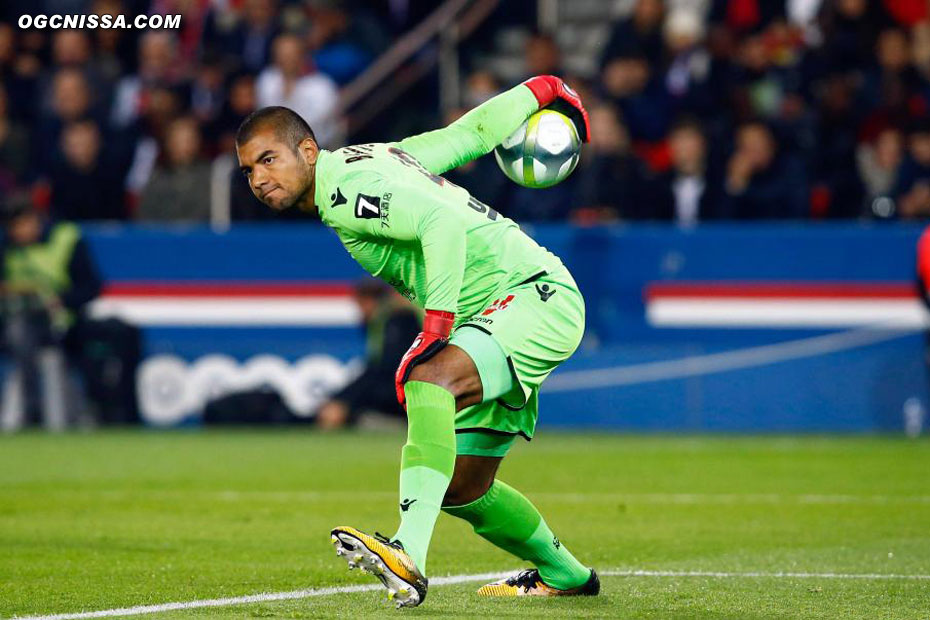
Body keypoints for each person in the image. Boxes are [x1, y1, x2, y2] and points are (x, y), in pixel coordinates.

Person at [235, 76, 599, 607]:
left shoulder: (343, 192)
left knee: (432, 376)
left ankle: (407, 554)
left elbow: (442, 222)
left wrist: (436, 326)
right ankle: (566, 574)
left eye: (269, 159)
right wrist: (539, 90)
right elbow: (466, 137)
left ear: (307, 151)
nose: (258, 178)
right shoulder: (376, 157)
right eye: (248, 170)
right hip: (505, 311)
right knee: (462, 488)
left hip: (529, 297)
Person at [316, 279, 421, 430]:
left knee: (361, 405)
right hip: (402, 389)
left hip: (406, 392)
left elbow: (385, 369)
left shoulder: (397, 321)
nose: (360, 313)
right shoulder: (384, 323)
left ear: (370, 301)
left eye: (360, 306)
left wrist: (343, 401)